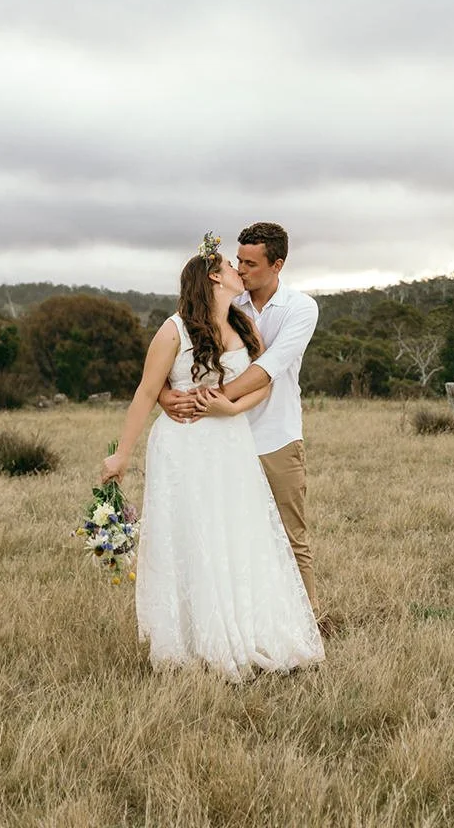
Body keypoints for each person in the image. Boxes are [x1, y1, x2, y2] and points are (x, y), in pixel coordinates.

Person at [100, 237, 323, 681]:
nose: (239, 268)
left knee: (237, 532)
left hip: (231, 442)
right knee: (191, 536)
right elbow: (146, 391)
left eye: (245, 262)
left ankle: (249, 628)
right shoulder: (174, 330)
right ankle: (195, 638)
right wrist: (121, 454)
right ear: (214, 277)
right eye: (231, 263)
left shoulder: (243, 325)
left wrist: (231, 407)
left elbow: (266, 381)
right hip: (183, 447)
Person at [159, 222, 322, 619]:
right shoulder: (224, 303)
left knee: (289, 535)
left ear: (277, 265)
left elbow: (269, 368)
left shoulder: (300, 308)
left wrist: (209, 402)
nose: (242, 269)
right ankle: (249, 620)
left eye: (251, 263)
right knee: (230, 536)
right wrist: (166, 397)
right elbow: (174, 364)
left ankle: (309, 620)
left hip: (275, 437)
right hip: (222, 442)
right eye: (239, 261)